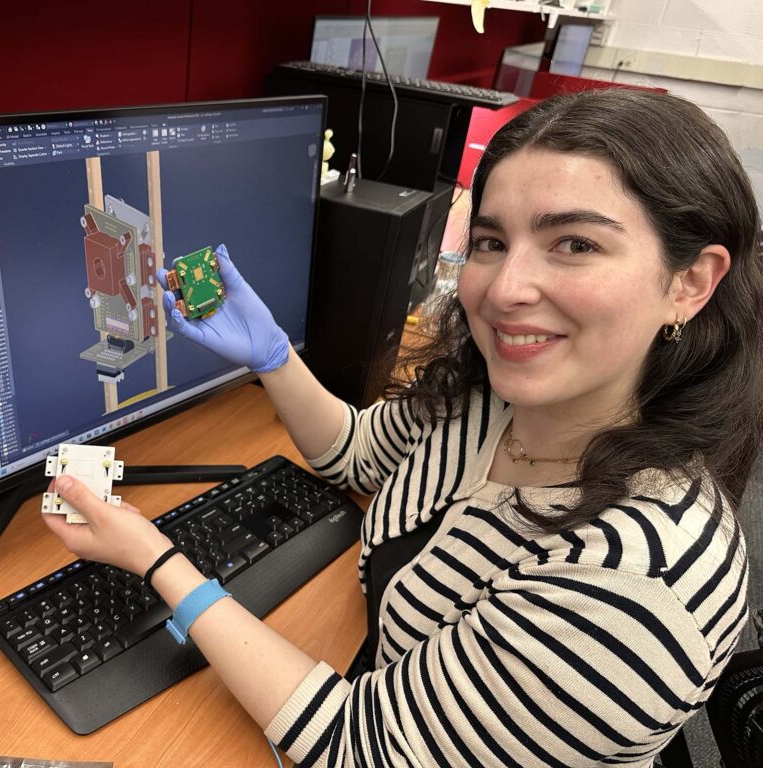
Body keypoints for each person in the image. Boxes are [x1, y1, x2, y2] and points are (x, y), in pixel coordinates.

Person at [44, 89, 761, 767]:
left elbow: (361, 748)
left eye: (574, 244)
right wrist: (274, 358)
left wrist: (160, 562)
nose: (505, 289)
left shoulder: (634, 589)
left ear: (690, 282)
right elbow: (357, 455)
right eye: (491, 242)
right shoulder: (495, 401)